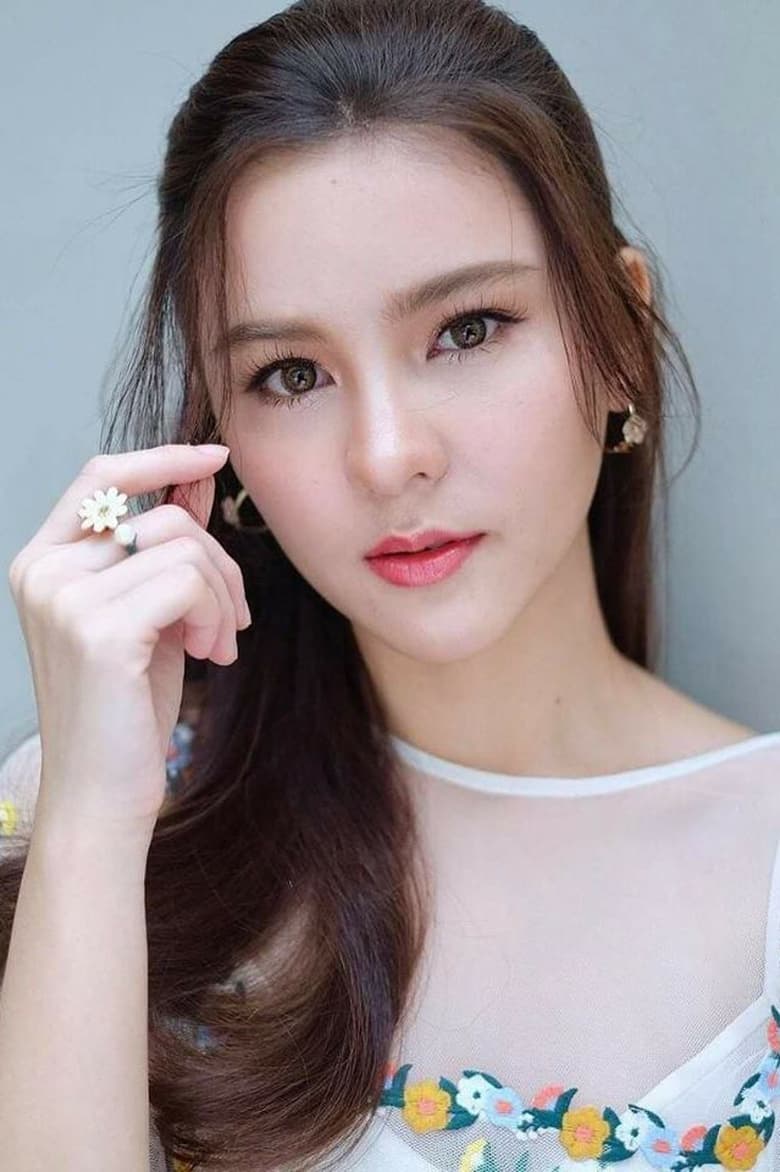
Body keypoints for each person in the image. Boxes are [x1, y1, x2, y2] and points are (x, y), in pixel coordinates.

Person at [1, 1, 778, 1169]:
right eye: (290, 374)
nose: (385, 455)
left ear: (621, 334)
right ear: (222, 433)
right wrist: (90, 825)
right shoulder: (118, 813)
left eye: (468, 329)